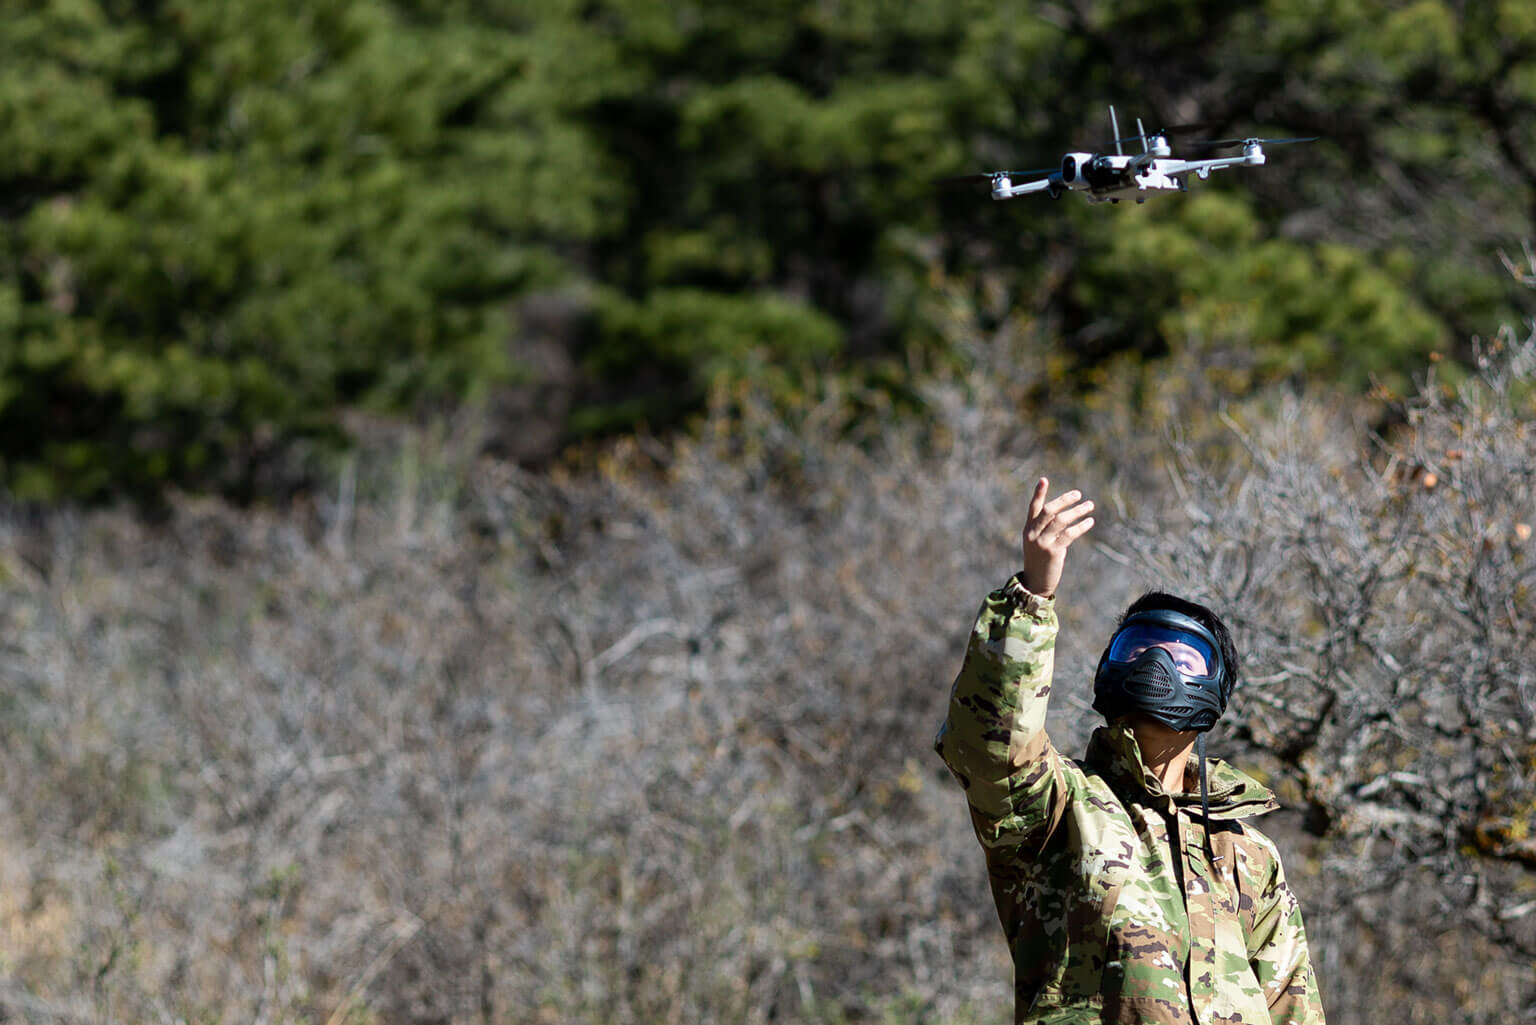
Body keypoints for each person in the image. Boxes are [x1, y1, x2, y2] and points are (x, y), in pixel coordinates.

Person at [934, 478, 1325, 1025]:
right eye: (1138, 647)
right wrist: (1031, 597)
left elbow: (1292, 1005)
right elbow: (989, 744)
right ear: (1110, 672)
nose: (1157, 664)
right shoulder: (1059, 806)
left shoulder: (1247, 854)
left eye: (1184, 655)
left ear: (1214, 694)